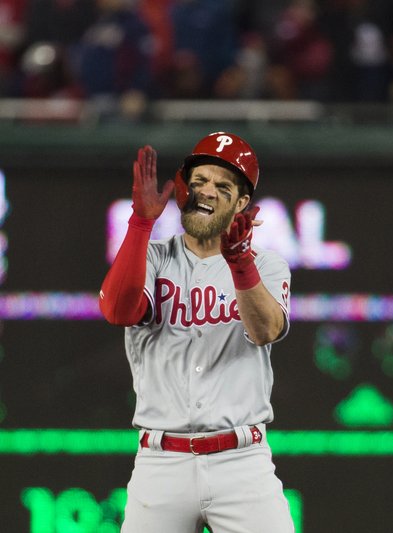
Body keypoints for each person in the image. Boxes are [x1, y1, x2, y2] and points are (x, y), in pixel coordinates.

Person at [99, 131, 294, 532]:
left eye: (223, 186)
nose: (207, 191)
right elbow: (119, 310)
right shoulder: (151, 257)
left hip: (241, 462)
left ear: (241, 203)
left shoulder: (267, 265)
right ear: (185, 188)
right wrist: (140, 224)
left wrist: (240, 263)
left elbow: (266, 330)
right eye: (200, 180)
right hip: (162, 462)